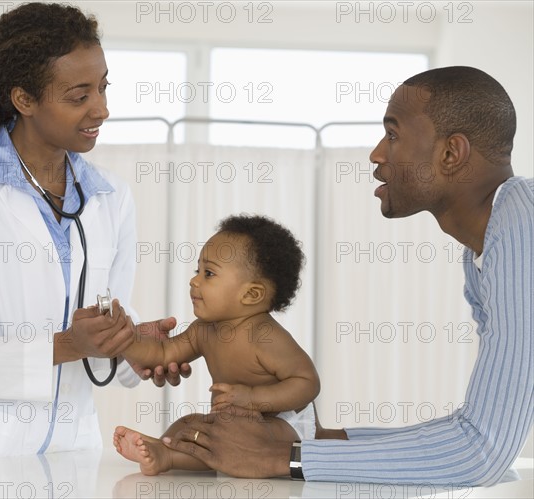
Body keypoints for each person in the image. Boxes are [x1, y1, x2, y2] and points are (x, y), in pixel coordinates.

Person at [162, 66, 534, 486]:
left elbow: (482, 451)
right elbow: (476, 429)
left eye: (392, 135)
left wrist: (285, 458)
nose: (377, 154)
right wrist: (323, 440)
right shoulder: (492, 241)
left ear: (451, 154)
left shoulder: (522, 234)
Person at [0, 2, 189, 462]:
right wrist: (67, 345)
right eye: (79, 96)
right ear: (24, 100)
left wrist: (132, 344)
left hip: (74, 451)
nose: (102, 108)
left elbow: (108, 308)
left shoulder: (110, 195)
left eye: (103, 87)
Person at [113, 214, 321, 475]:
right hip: (231, 422)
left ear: (251, 294)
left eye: (208, 273)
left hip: (285, 424)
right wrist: (123, 338)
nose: (194, 280)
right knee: (190, 422)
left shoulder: (265, 335)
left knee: (230, 437)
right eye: (197, 271)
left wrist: (253, 398)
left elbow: (307, 383)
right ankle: (163, 446)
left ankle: (169, 456)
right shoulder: (204, 330)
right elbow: (162, 353)